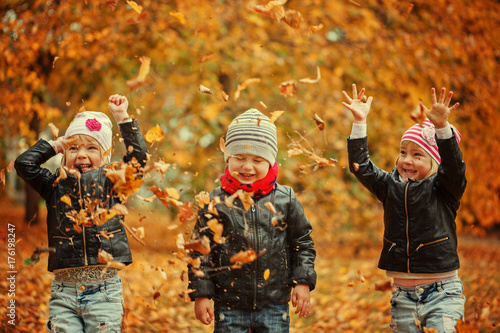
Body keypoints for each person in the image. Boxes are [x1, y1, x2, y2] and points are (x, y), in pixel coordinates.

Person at [15, 94, 149, 332]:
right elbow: (24, 164)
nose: (81, 154)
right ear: (65, 155)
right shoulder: (54, 184)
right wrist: (55, 145)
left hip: (104, 291)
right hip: (63, 293)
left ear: (104, 156)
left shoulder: (112, 182)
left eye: (91, 148)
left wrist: (122, 118)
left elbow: (139, 159)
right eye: (73, 148)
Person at [343, 84, 467, 332]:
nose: (407, 160)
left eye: (417, 155)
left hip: (442, 291)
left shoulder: (444, 189)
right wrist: (359, 122)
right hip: (402, 295)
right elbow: (361, 166)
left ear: (434, 163)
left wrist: (442, 129)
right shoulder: (389, 186)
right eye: (403, 152)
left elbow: (454, 168)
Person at [187, 109, 317, 332]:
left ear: (270, 161)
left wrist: (303, 282)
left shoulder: (285, 199)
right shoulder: (215, 201)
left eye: (257, 159)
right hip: (229, 305)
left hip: (274, 304)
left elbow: (302, 243)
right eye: (239, 158)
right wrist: (201, 294)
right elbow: (199, 252)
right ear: (228, 158)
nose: (247, 167)